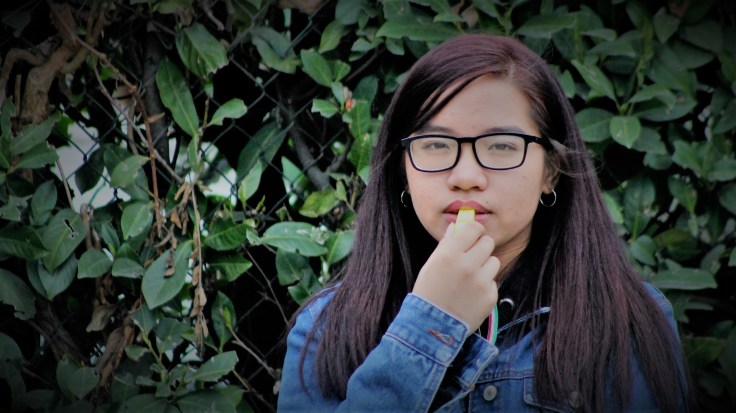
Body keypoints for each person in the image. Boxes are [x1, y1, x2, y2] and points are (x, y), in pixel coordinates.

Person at [277, 34, 695, 412]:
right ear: (403, 169)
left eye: (501, 146)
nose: (466, 176)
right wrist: (429, 321)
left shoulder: (627, 320)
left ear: (550, 171)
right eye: (435, 144)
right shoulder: (325, 327)